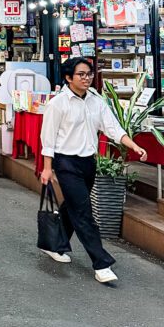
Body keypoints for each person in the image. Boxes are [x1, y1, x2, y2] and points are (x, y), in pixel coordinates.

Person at [40, 57, 147, 284]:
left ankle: (55, 244)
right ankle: (101, 263)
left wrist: (134, 145)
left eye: (89, 74)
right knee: (83, 212)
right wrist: (47, 168)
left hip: (88, 163)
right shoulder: (57, 104)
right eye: (81, 74)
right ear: (69, 77)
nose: (86, 78)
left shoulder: (96, 101)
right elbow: (47, 140)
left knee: (72, 206)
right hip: (66, 163)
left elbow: (112, 127)